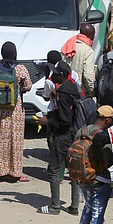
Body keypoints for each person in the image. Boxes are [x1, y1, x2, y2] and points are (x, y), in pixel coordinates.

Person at [36, 59, 81, 215]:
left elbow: (64, 120)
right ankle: (74, 205)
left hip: (63, 135)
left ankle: (55, 206)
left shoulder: (63, 91)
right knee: (74, 170)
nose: (51, 76)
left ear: (61, 76)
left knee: (53, 169)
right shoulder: (74, 87)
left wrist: (47, 121)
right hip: (75, 133)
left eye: (54, 74)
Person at [0, 41, 33, 181]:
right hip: (15, 109)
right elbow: (28, 86)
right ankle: (14, 172)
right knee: (15, 139)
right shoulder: (20, 69)